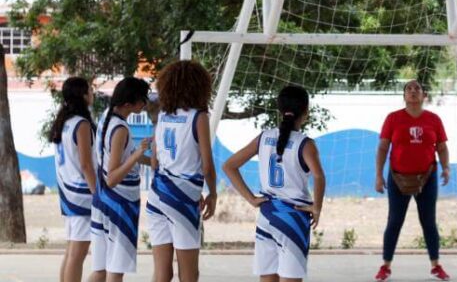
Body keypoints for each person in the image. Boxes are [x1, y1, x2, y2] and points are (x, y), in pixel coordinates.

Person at [223, 85, 326, 282]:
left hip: (267, 216)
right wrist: (317, 207)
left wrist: (251, 199)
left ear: (279, 109)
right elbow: (319, 176)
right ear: (306, 111)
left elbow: (229, 166)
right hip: (292, 218)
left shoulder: (264, 137)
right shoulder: (305, 144)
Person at [146, 60, 217, 282]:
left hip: (157, 195)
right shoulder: (198, 117)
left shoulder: (163, 116)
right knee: (189, 274)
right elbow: (207, 164)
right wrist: (213, 193)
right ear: (199, 86)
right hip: (182, 198)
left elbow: (155, 162)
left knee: (162, 273)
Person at [374, 80, 451, 281]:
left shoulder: (433, 119)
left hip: (427, 177)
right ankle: (385, 266)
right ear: (404, 96)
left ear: (424, 95)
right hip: (398, 177)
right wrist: (378, 175)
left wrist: (446, 168)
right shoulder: (393, 118)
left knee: (428, 222)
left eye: (417, 89)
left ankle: (436, 265)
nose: (413, 91)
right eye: (409, 89)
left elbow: (441, 147)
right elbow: (383, 147)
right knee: (394, 221)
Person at [91, 77, 151, 282]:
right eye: (143, 99)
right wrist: (138, 153)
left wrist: (153, 162)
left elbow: (124, 157)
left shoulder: (107, 117)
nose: (145, 104)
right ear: (128, 104)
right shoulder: (120, 129)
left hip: (103, 201)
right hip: (118, 205)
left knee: (100, 271)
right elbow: (113, 176)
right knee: (115, 271)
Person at [50, 77, 96, 282]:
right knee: (77, 254)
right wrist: (98, 194)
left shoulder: (64, 122)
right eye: (90, 90)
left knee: (71, 252)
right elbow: (86, 165)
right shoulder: (82, 124)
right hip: (81, 194)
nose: (92, 93)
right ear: (82, 95)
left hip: (68, 193)